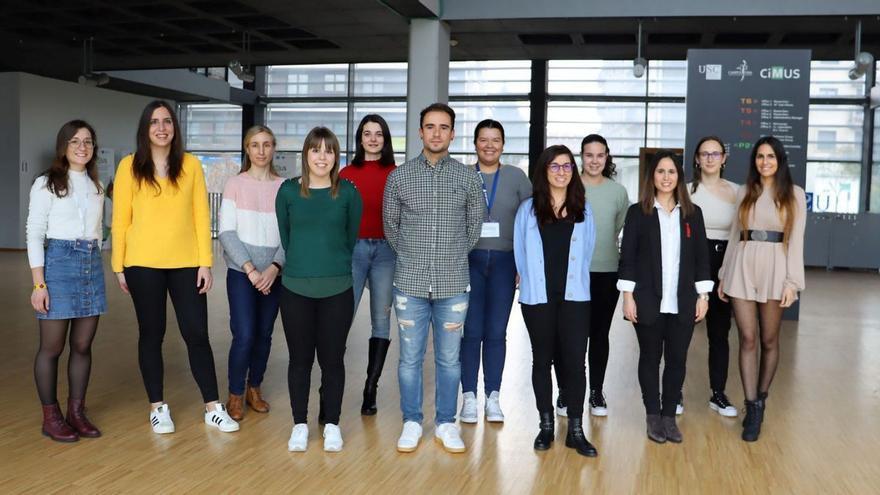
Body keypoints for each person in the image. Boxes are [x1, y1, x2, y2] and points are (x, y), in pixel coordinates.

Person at [112, 100, 238, 434]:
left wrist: (205, 263)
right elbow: (120, 218)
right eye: (154, 122)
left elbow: (201, 215)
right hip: (142, 263)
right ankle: (157, 407)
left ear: (175, 127)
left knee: (197, 333)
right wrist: (118, 265)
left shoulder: (192, 165)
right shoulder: (128, 167)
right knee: (152, 335)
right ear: (145, 128)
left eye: (167, 121)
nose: (162, 128)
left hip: (185, 263)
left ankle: (212, 406)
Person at [382, 103, 484, 454]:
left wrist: (450, 257)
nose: (437, 133)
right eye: (430, 127)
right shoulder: (399, 177)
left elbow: (474, 227)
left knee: (449, 360)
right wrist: (414, 257)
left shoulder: (468, 177)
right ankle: (412, 421)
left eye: (444, 127)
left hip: (453, 283)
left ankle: (445, 423)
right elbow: (390, 228)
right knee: (409, 358)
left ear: (453, 134)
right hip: (409, 283)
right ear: (420, 132)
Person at [276, 127, 362, 453]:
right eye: (315, 150)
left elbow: (348, 239)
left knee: (333, 360)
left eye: (328, 151)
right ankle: (300, 424)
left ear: (336, 157)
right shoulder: (287, 192)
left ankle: (333, 425)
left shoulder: (348, 194)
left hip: (337, 288)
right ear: (306, 155)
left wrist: (329, 263)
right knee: (299, 360)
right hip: (296, 288)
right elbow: (287, 238)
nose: (322, 157)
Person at [618, 150, 712, 444]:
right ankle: (653, 415)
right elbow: (628, 257)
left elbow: (701, 258)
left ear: (679, 177)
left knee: (677, 360)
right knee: (649, 358)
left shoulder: (693, 214)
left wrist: (703, 295)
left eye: (672, 172)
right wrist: (627, 296)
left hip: (683, 300)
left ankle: (669, 417)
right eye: (661, 171)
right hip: (647, 300)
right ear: (652, 177)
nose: (666, 177)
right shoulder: (638, 212)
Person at [718, 136, 806, 442]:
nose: (764, 161)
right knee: (748, 337)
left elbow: (796, 241)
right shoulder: (745, 191)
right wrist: (723, 273)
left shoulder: (794, 194)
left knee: (769, 339)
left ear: (780, 160)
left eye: (770, 156)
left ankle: (761, 397)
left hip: (776, 267)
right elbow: (734, 235)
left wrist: (792, 282)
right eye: (759, 156)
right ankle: (751, 405)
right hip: (743, 265)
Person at [514, 144, 598, 457]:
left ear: (573, 171)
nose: (561, 172)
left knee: (576, 362)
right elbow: (521, 253)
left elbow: (587, 250)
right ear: (544, 171)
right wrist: (528, 283)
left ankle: (576, 430)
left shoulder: (583, 208)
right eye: (555, 166)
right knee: (542, 359)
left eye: (567, 166)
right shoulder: (528, 209)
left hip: (576, 298)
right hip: (538, 298)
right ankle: (546, 425)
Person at [26, 120, 105, 442]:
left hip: (91, 265)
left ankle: (76, 412)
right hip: (58, 265)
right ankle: (51, 415)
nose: (82, 147)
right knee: (52, 347)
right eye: (75, 141)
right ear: (64, 146)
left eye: (87, 141)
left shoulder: (97, 186)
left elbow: (99, 232)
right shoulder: (46, 183)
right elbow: (33, 234)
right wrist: (39, 284)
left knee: (83, 345)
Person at [459, 119, 532, 424]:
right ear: (475, 143)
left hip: (505, 262)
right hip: (469, 261)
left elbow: (530, 224)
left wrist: (523, 266)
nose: (489, 145)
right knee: (471, 331)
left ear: (503, 144)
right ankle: (469, 399)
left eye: (495, 140)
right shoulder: (462, 175)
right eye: (483, 140)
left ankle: (493, 396)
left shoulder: (516, 177)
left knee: (496, 332)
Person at [554, 134, 628, 418]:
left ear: (607, 157)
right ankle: (565, 391)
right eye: (589, 155)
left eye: (600, 155)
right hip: (571, 274)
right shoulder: (568, 187)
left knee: (599, 335)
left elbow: (616, 229)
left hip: (606, 274)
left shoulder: (618, 193)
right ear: (580, 157)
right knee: (568, 336)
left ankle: (596, 391)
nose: (594, 160)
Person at [219, 125, 286, 421]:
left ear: (274, 149)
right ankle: (235, 394)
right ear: (247, 149)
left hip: (273, 274)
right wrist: (250, 269)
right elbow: (226, 231)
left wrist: (274, 267)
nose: (261, 151)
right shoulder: (235, 184)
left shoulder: (285, 187)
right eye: (255, 145)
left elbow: (290, 234)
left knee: (264, 334)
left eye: (267, 145)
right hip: (241, 273)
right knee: (244, 334)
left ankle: (253, 388)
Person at [339, 114, 397, 416]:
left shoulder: (396, 173)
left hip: (386, 252)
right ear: (360, 138)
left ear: (385, 139)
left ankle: (370, 387)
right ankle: (330, 387)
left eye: (378, 134)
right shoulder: (346, 173)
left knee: (381, 321)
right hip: (354, 251)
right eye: (367, 133)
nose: (373, 139)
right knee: (341, 319)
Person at [687, 136, 739, 417]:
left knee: (719, 333)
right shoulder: (685, 191)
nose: (709, 158)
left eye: (715, 153)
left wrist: (729, 269)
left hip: (725, 261)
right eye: (704, 154)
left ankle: (718, 393)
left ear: (724, 158)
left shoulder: (737, 191)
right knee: (681, 332)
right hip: (693, 260)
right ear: (697, 159)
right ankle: (675, 393)